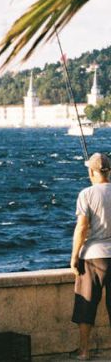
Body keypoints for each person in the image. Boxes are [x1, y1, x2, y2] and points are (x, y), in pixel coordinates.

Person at [71, 152, 111, 360]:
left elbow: (82, 228)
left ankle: (84, 350)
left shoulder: (86, 194)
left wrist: (74, 256)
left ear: (91, 172)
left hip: (93, 257)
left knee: (86, 304)